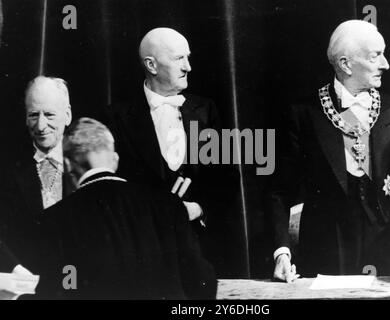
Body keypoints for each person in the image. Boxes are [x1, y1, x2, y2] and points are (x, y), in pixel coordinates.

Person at [268, 20, 390, 281]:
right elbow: (279, 190)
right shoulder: (303, 113)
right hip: (323, 253)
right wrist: (282, 251)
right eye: (376, 56)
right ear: (345, 64)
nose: (386, 64)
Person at [101, 27, 239, 276]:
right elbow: (110, 192)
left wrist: (198, 208)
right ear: (151, 65)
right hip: (143, 255)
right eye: (179, 59)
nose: (188, 67)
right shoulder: (115, 118)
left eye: (188, 57)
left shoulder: (206, 110)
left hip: (202, 251)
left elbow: (227, 179)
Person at [36, 117, 217, 299]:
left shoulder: (56, 218)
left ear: (67, 165)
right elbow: (201, 281)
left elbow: (60, 290)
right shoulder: (168, 203)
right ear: (115, 160)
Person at [0, 76, 75, 272]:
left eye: (49, 115)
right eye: (34, 115)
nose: (41, 126)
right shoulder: (7, 167)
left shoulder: (86, 162)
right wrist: (14, 268)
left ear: (67, 115)